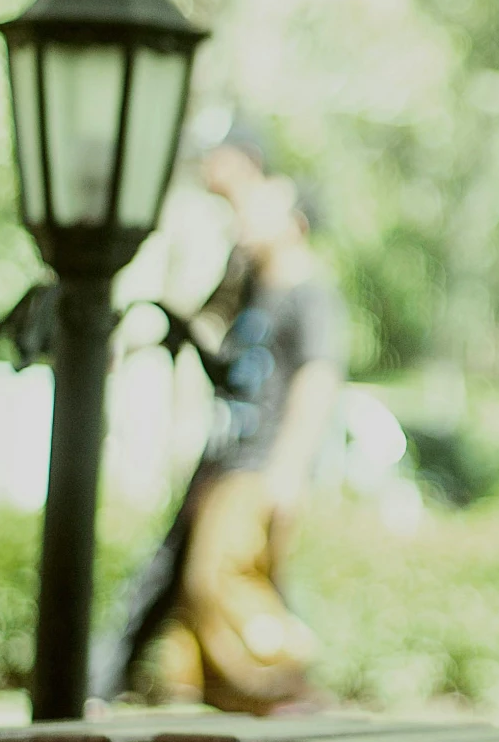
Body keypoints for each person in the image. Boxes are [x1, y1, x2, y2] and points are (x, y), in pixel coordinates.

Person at [103, 174, 348, 713]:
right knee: (195, 591)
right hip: (227, 460)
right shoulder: (253, 289)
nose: (247, 217)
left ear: (296, 223)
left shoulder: (311, 292)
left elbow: (318, 379)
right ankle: (223, 698)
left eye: (264, 208)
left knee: (219, 576)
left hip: (262, 463)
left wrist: (290, 468)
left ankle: (287, 680)